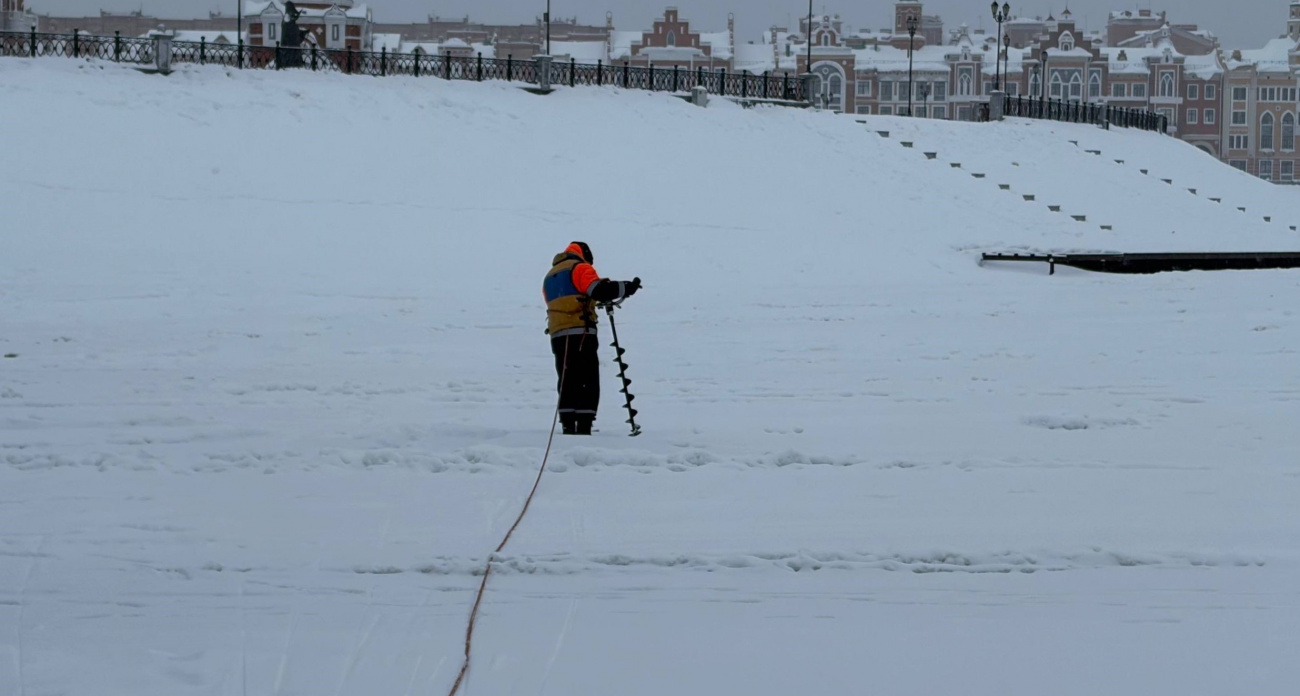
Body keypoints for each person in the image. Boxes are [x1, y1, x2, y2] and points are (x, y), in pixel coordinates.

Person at [542, 242, 640, 435]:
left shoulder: (550, 275)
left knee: (567, 378)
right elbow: (598, 290)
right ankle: (584, 425)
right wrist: (626, 288)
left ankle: (568, 425)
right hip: (580, 330)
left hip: (558, 333)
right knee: (587, 378)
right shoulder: (579, 268)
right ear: (585, 255)